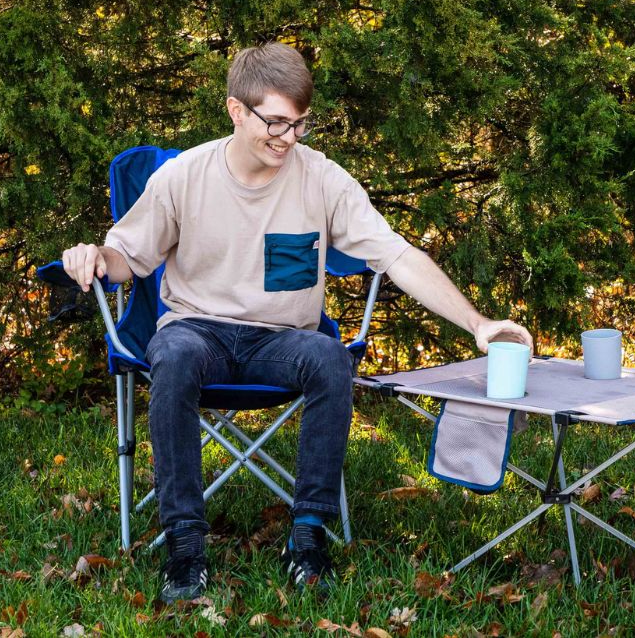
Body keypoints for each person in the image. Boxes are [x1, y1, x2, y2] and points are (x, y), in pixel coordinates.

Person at [61, 42, 532, 602]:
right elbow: (125, 259)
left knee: (332, 358)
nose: (288, 138)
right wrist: (90, 256)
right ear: (236, 111)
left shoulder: (321, 179)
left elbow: (397, 255)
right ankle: (184, 544)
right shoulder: (184, 176)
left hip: (284, 341)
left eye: (300, 124)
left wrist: (476, 323)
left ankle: (308, 536)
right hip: (198, 330)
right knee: (176, 355)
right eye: (276, 122)